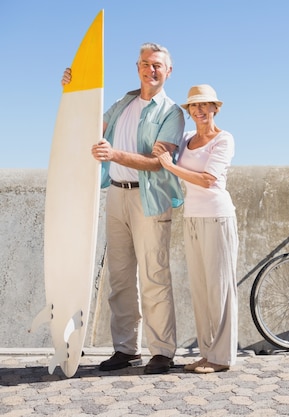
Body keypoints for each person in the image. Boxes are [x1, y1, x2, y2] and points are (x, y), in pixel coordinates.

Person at [61, 42, 184, 374]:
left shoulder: (172, 113)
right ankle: (126, 350)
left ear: (168, 71)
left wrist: (114, 154)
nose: (151, 69)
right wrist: (72, 91)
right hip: (116, 194)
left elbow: (158, 163)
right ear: (138, 67)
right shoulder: (121, 103)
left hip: (150, 199)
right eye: (146, 63)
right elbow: (88, 127)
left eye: (158, 65)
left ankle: (162, 352)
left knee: (154, 276)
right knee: (120, 277)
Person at [153, 84, 238, 373]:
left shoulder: (224, 139)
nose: (199, 110)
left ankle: (222, 357)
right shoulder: (187, 138)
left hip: (217, 217)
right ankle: (207, 353)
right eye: (194, 106)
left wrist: (169, 165)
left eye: (205, 105)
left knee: (220, 289)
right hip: (192, 218)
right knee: (201, 290)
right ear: (189, 112)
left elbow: (207, 179)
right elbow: (162, 148)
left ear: (215, 108)